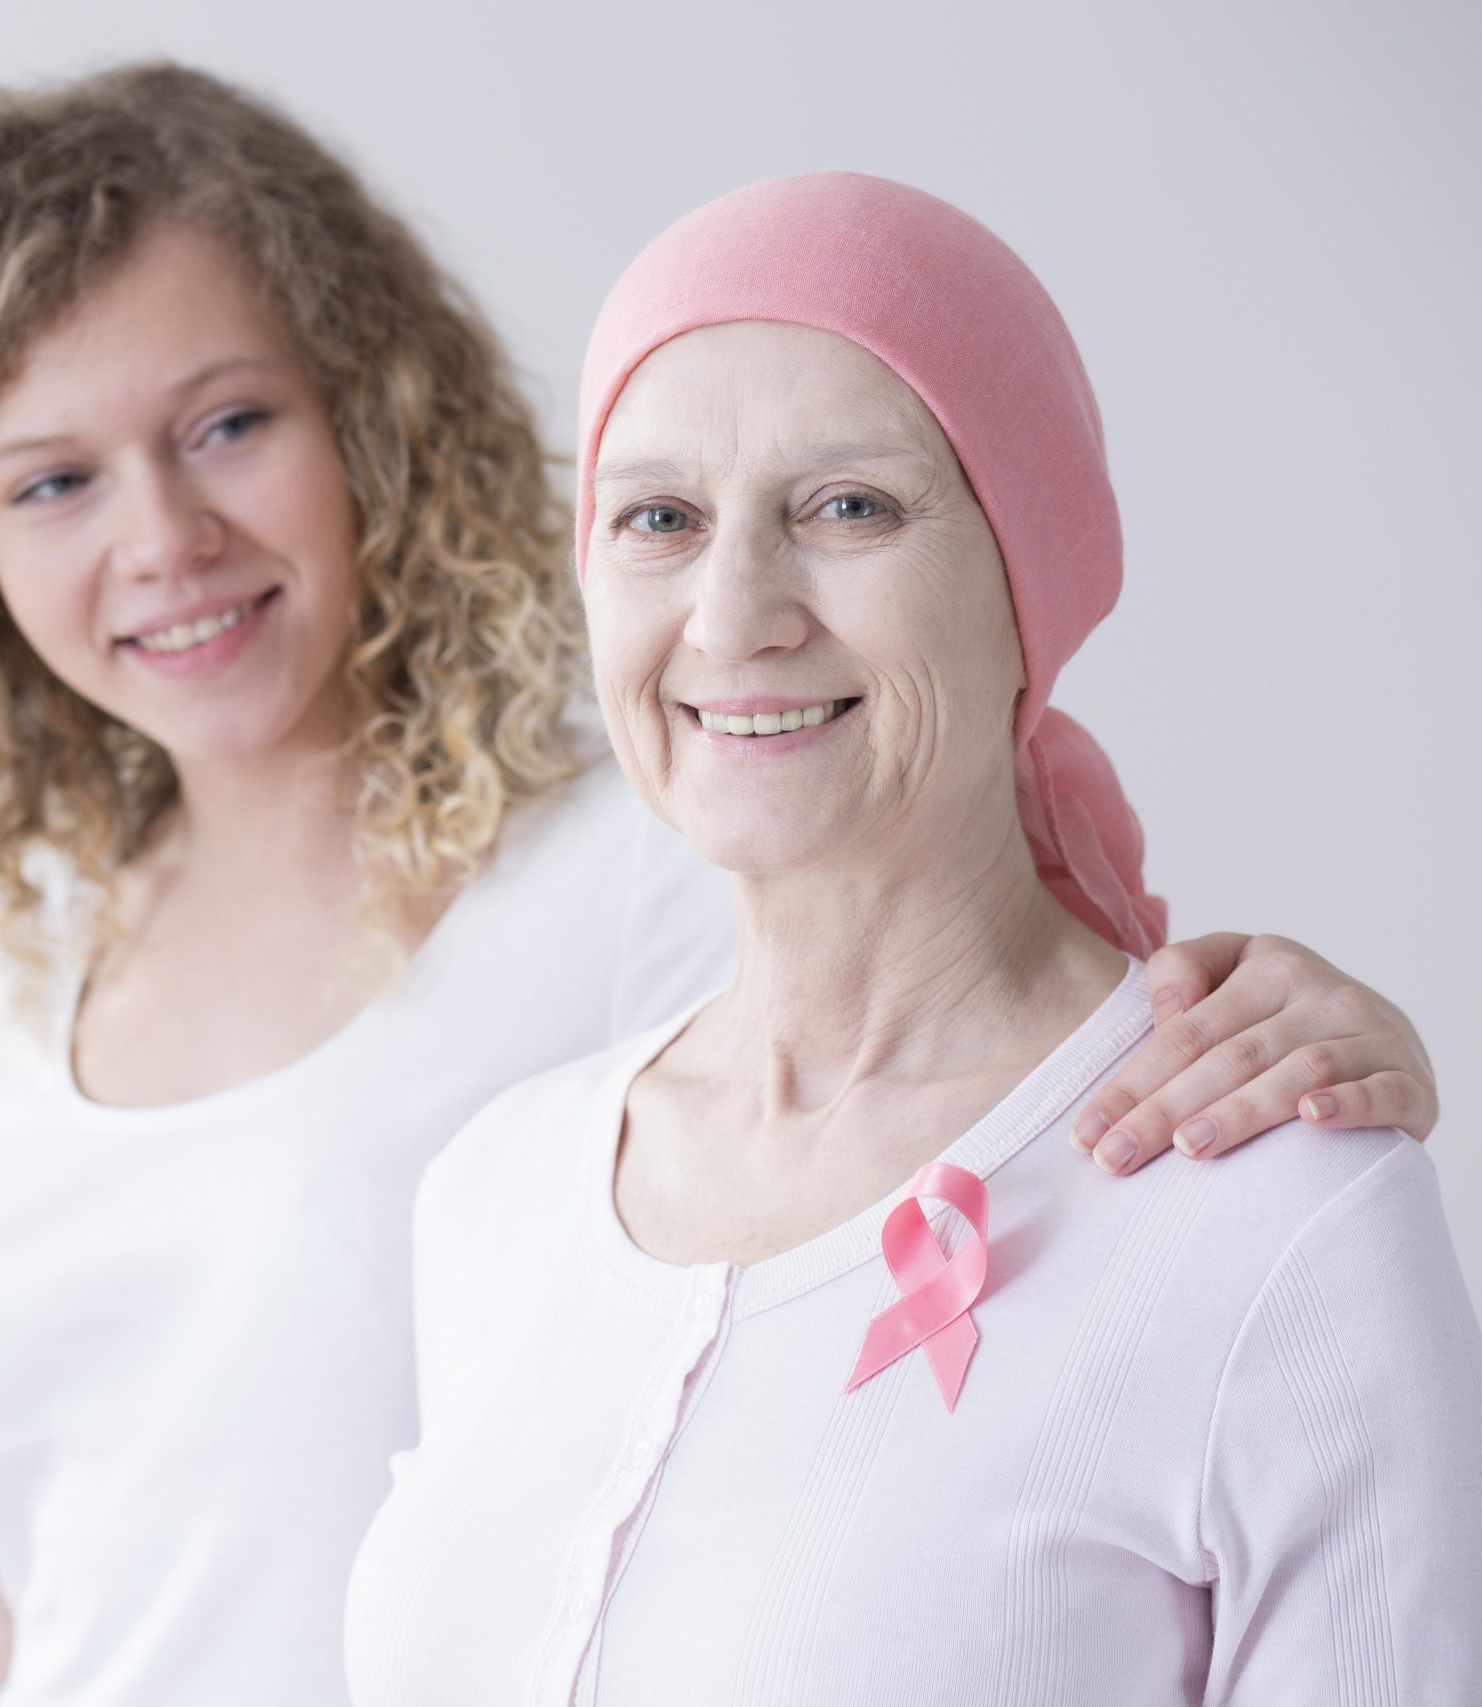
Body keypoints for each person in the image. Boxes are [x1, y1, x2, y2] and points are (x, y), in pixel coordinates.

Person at [0, 66, 1442, 1707]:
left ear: (372, 420)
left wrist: (1304, 1069)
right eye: (53, 478)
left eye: (230, 424)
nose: (164, 535)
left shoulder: (656, 864)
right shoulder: (24, 982)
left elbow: (989, 1038)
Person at [341, 172, 1482, 1705]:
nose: (735, 613)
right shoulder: (496, 1195)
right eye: (659, 519)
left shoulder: (1272, 1214)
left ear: (1032, 582)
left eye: (850, 509)